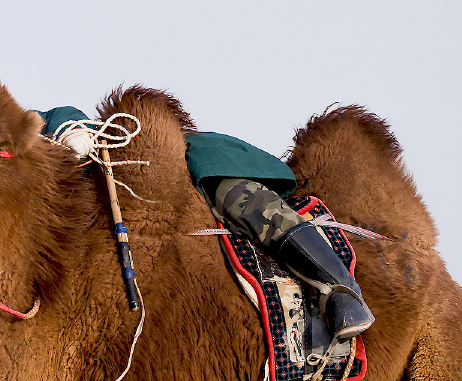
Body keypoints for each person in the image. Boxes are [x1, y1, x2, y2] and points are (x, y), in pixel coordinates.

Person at [38, 108, 374, 357]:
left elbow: (51, 116)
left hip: (191, 160)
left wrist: (68, 129)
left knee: (239, 199)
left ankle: (341, 288)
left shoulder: (0, 123)